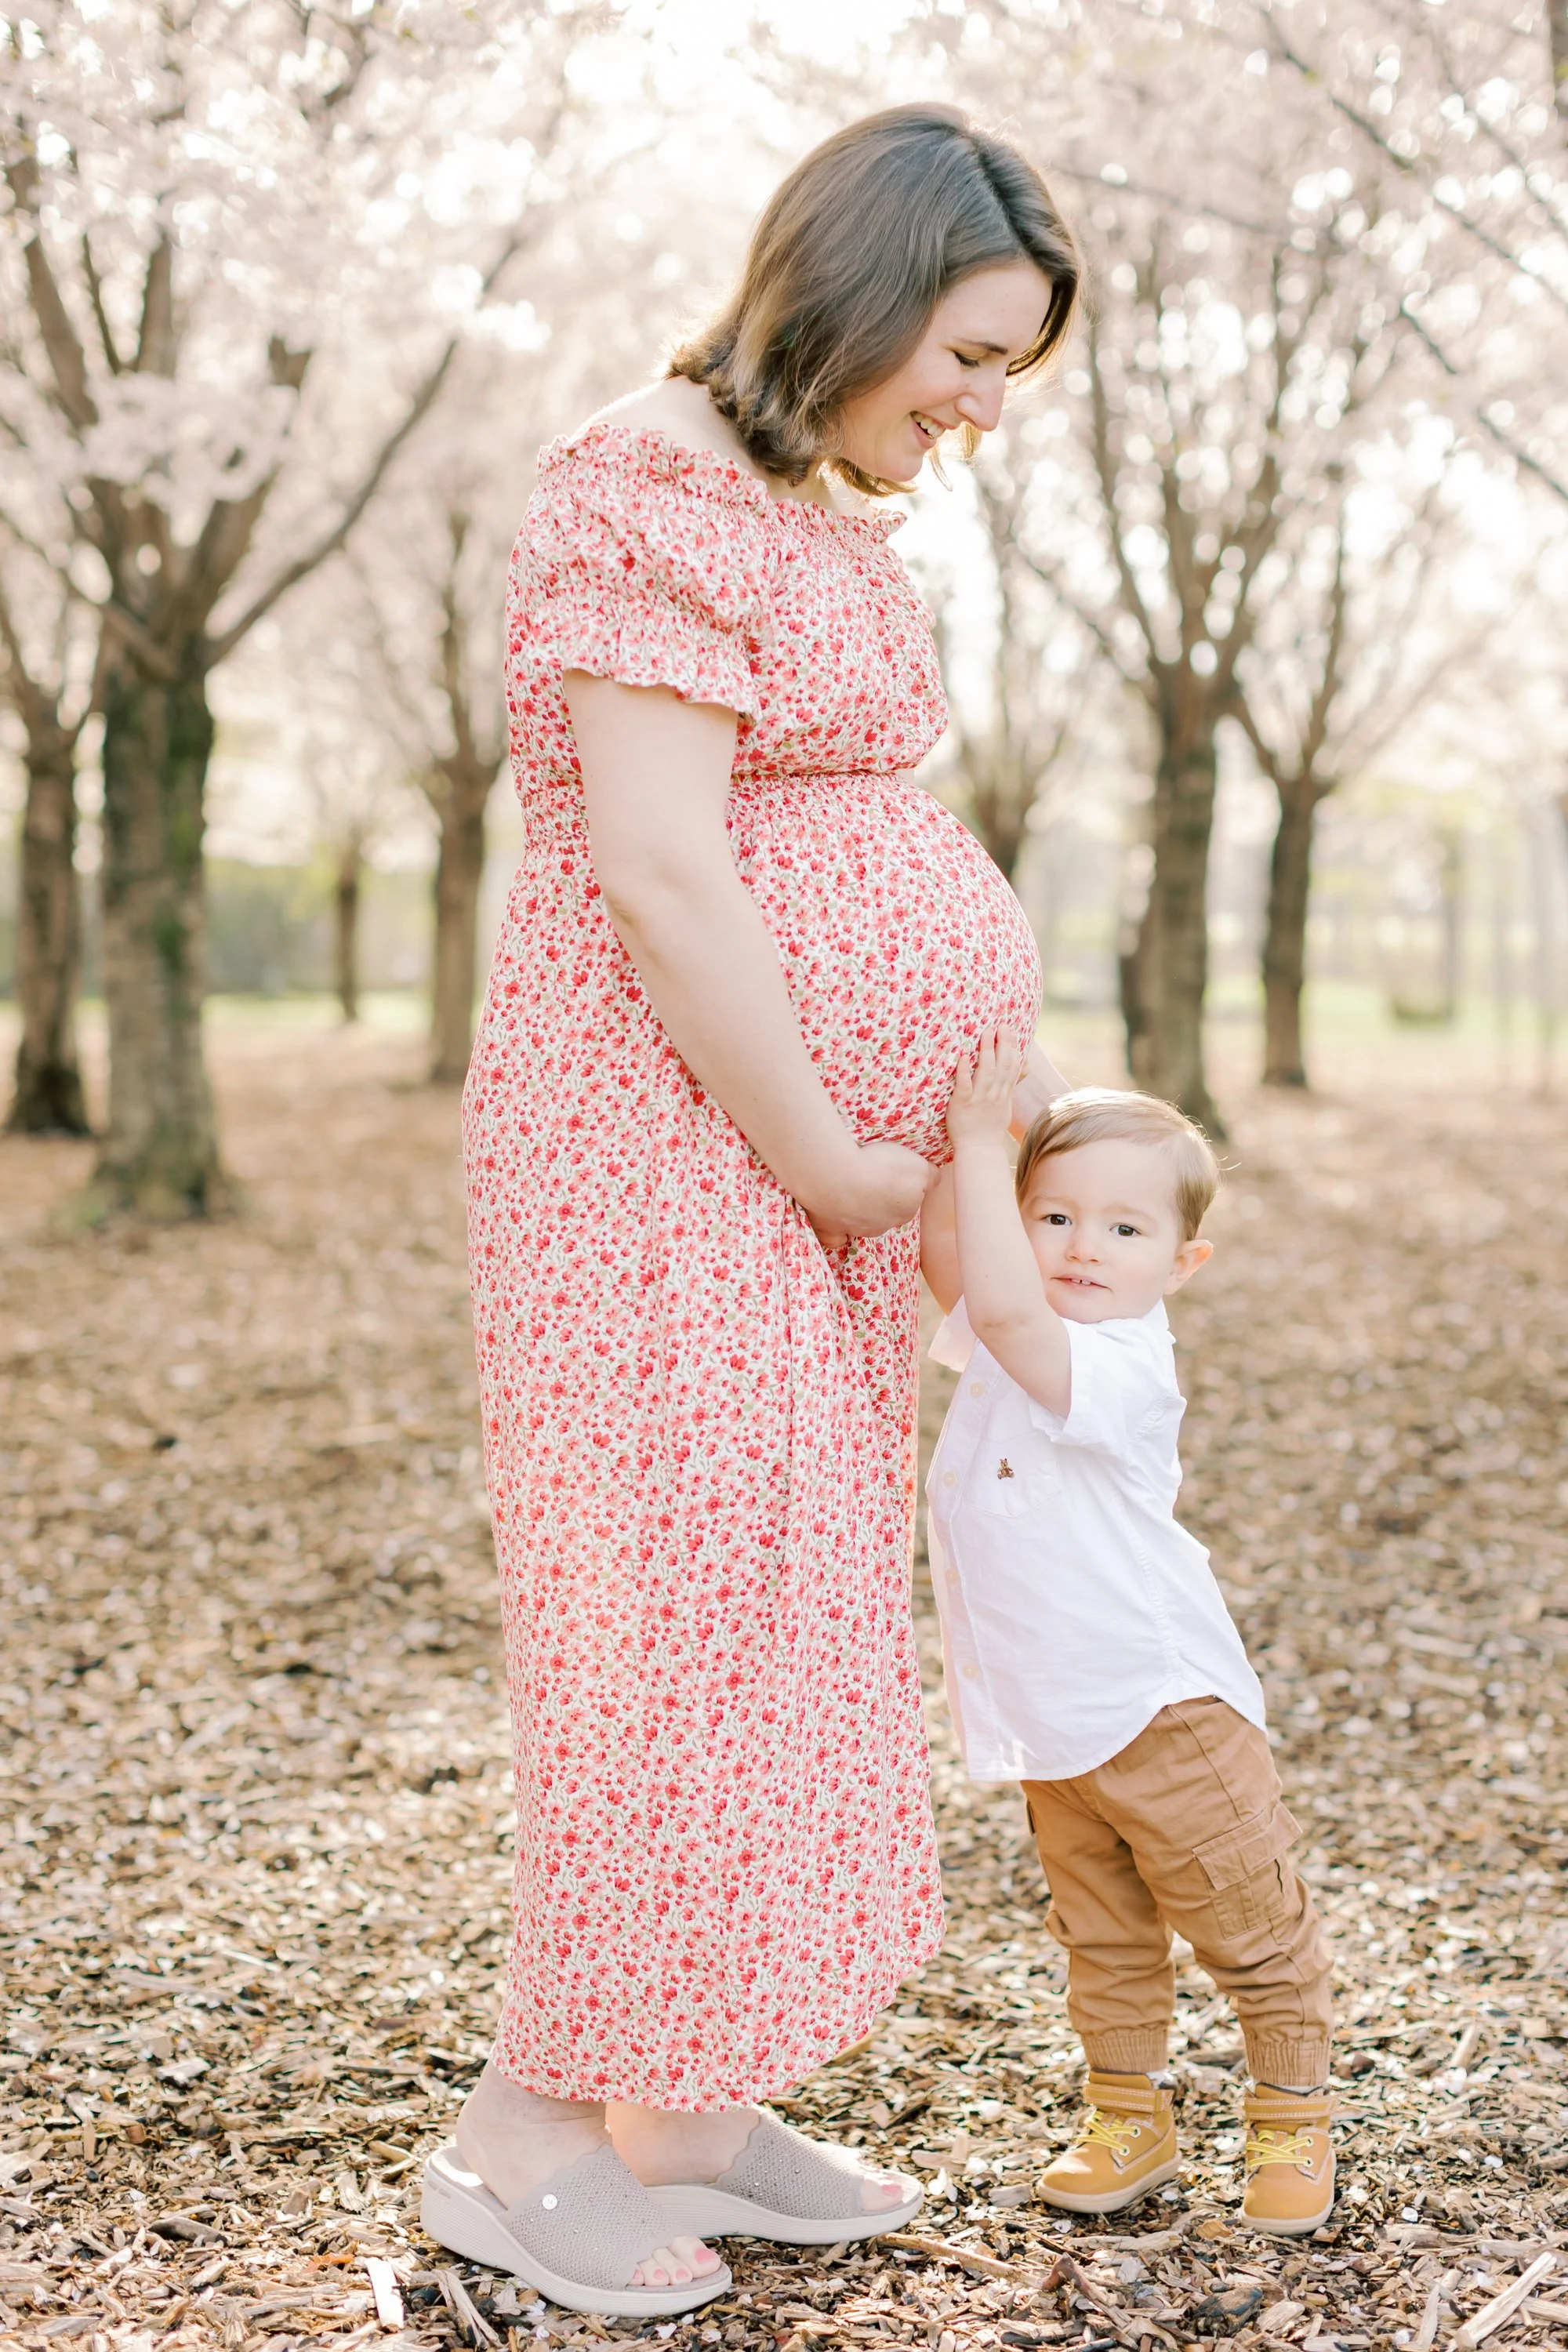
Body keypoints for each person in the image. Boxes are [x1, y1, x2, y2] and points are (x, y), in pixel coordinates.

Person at [419, 108, 1079, 2316]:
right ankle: (523, 2150)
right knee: (673, 1639)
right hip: (660, 1159)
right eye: (975, 358)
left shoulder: (796, 494)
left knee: (788, 1631)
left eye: (1014, 377)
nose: (986, 413)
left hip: (789, 1176)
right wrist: (826, 1156)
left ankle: (687, 2107)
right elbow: (668, 871)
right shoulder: (650, 478)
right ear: (866, 283)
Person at [920, 1040, 1337, 2238]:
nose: (1080, 1249)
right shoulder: (1019, 1331)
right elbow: (956, 1262)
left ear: (1182, 1263)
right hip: (1053, 1717)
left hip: (1163, 1708)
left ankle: (1293, 2116)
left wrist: (976, 1138)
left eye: (1122, 1231)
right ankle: (1128, 2116)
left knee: (1250, 1928)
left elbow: (994, 1289)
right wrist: (1003, 1128)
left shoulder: (1111, 1358)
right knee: (1101, 1936)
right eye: (1053, 1217)